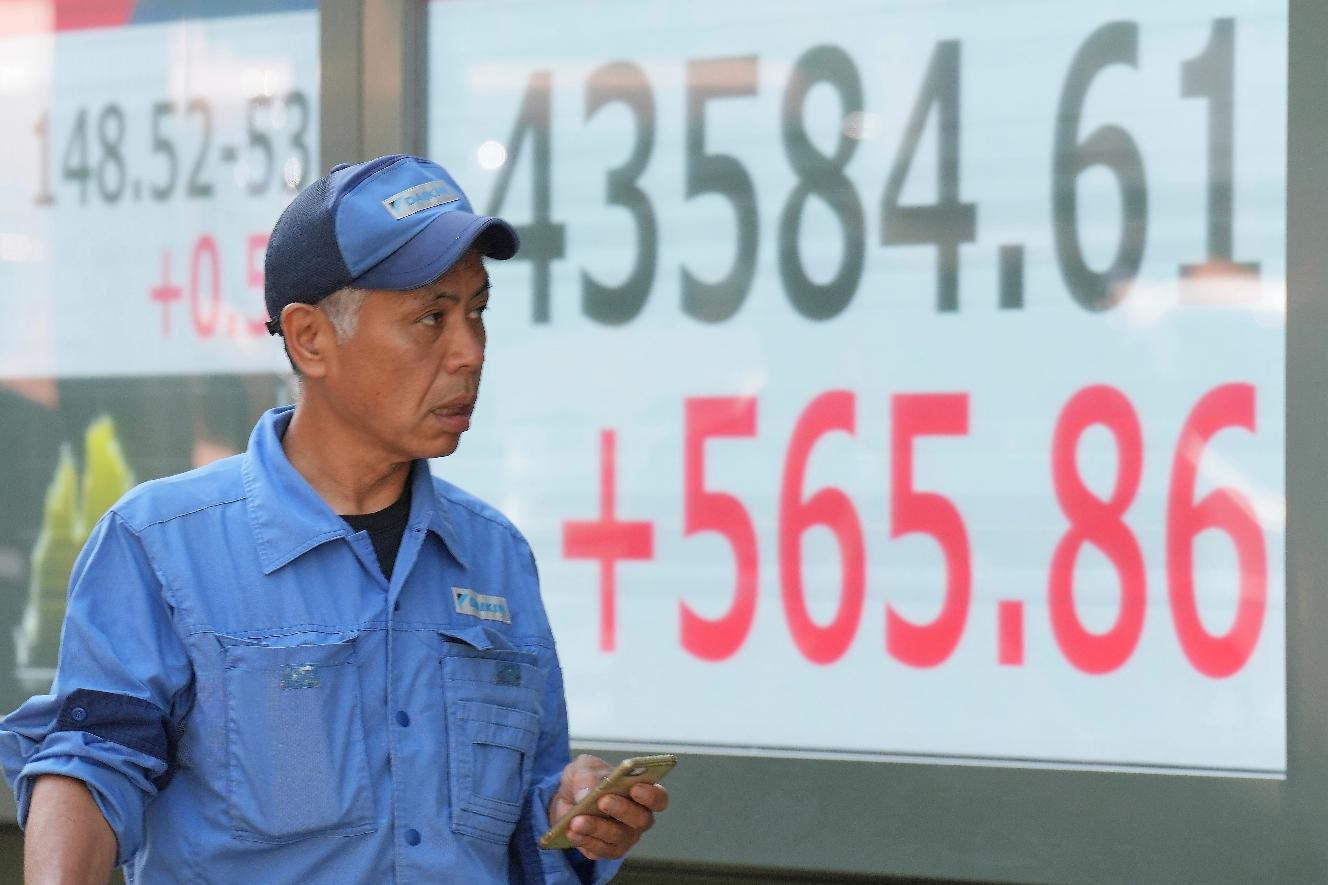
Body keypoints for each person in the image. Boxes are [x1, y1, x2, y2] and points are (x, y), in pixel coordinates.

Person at [0, 154, 668, 883]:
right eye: (431, 318)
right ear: (309, 337)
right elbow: (91, 769)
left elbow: (519, 824)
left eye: (478, 312)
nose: (470, 352)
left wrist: (573, 816)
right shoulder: (160, 544)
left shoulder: (496, 554)